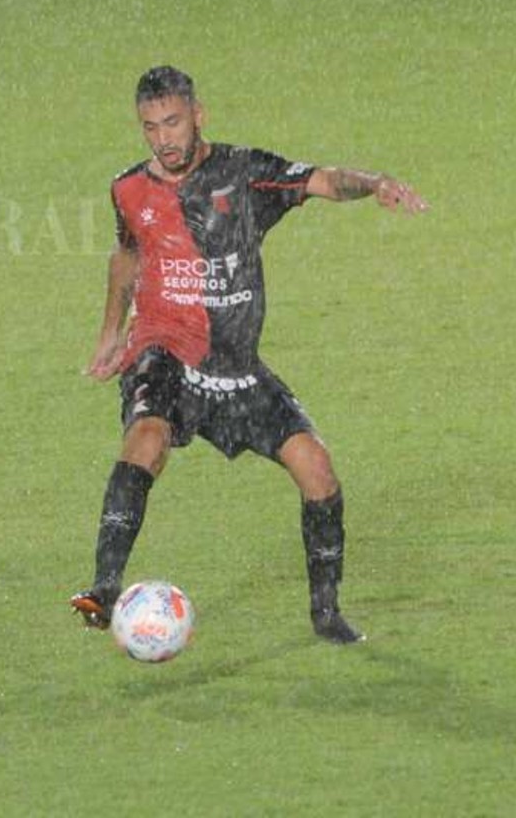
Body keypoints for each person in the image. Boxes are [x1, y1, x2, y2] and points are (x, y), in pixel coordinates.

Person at [71, 66, 429, 644]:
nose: (164, 139)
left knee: (316, 467)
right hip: (164, 350)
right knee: (147, 439)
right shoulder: (128, 189)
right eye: (150, 128)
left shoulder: (244, 175)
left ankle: (326, 615)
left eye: (173, 122)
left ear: (198, 115)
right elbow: (126, 254)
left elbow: (323, 179)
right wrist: (112, 331)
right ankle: (104, 588)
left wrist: (375, 182)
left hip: (234, 368)